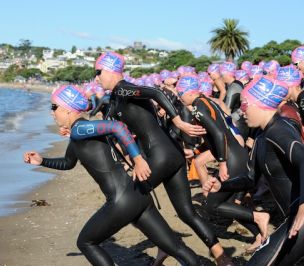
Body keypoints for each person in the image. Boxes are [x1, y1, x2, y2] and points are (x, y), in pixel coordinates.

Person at [24, 85, 200, 266]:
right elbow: (68, 163)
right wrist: (42, 161)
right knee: (175, 247)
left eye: (54, 107)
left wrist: (138, 159)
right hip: (137, 195)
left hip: (120, 200)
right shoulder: (80, 132)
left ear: (68, 109)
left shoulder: (79, 130)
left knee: (86, 242)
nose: (52, 113)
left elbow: (117, 127)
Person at [94, 51, 233, 265]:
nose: (96, 77)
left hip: (159, 156)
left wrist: (177, 121)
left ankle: (165, 245)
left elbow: (155, 93)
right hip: (172, 154)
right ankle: (220, 255)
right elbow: (104, 117)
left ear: (111, 70)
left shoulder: (124, 87)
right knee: (186, 212)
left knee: (130, 204)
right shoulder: (115, 97)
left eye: (99, 72)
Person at [203, 76, 304, 265]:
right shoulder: (261, 137)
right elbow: (251, 178)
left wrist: (303, 207)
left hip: (300, 217)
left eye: (244, 104)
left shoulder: (280, 130)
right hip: (292, 217)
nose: (241, 111)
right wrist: (222, 185)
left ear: (260, 104)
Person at [176, 75, 269, 252]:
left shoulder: (197, 106)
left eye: (181, 93)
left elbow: (219, 134)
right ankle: (259, 234)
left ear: (190, 92)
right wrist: (196, 151)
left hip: (231, 157)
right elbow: (216, 134)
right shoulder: (206, 102)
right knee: (228, 203)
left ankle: (259, 216)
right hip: (235, 154)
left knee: (212, 204)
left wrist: (223, 163)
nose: (180, 97)